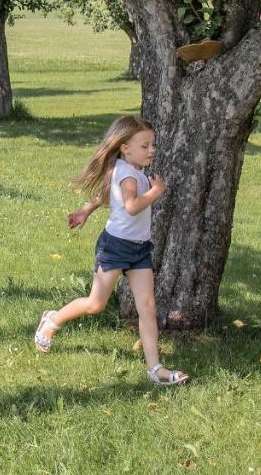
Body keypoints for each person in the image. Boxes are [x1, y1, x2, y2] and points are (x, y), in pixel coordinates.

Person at [32, 116, 189, 386]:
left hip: (139, 249)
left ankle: (155, 369)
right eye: (145, 146)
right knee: (95, 305)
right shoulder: (129, 174)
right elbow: (131, 206)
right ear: (125, 147)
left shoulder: (126, 167)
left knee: (147, 307)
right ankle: (52, 319)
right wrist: (156, 192)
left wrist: (84, 211)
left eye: (152, 145)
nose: (151, 150)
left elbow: (104, 195)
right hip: (115, 247)